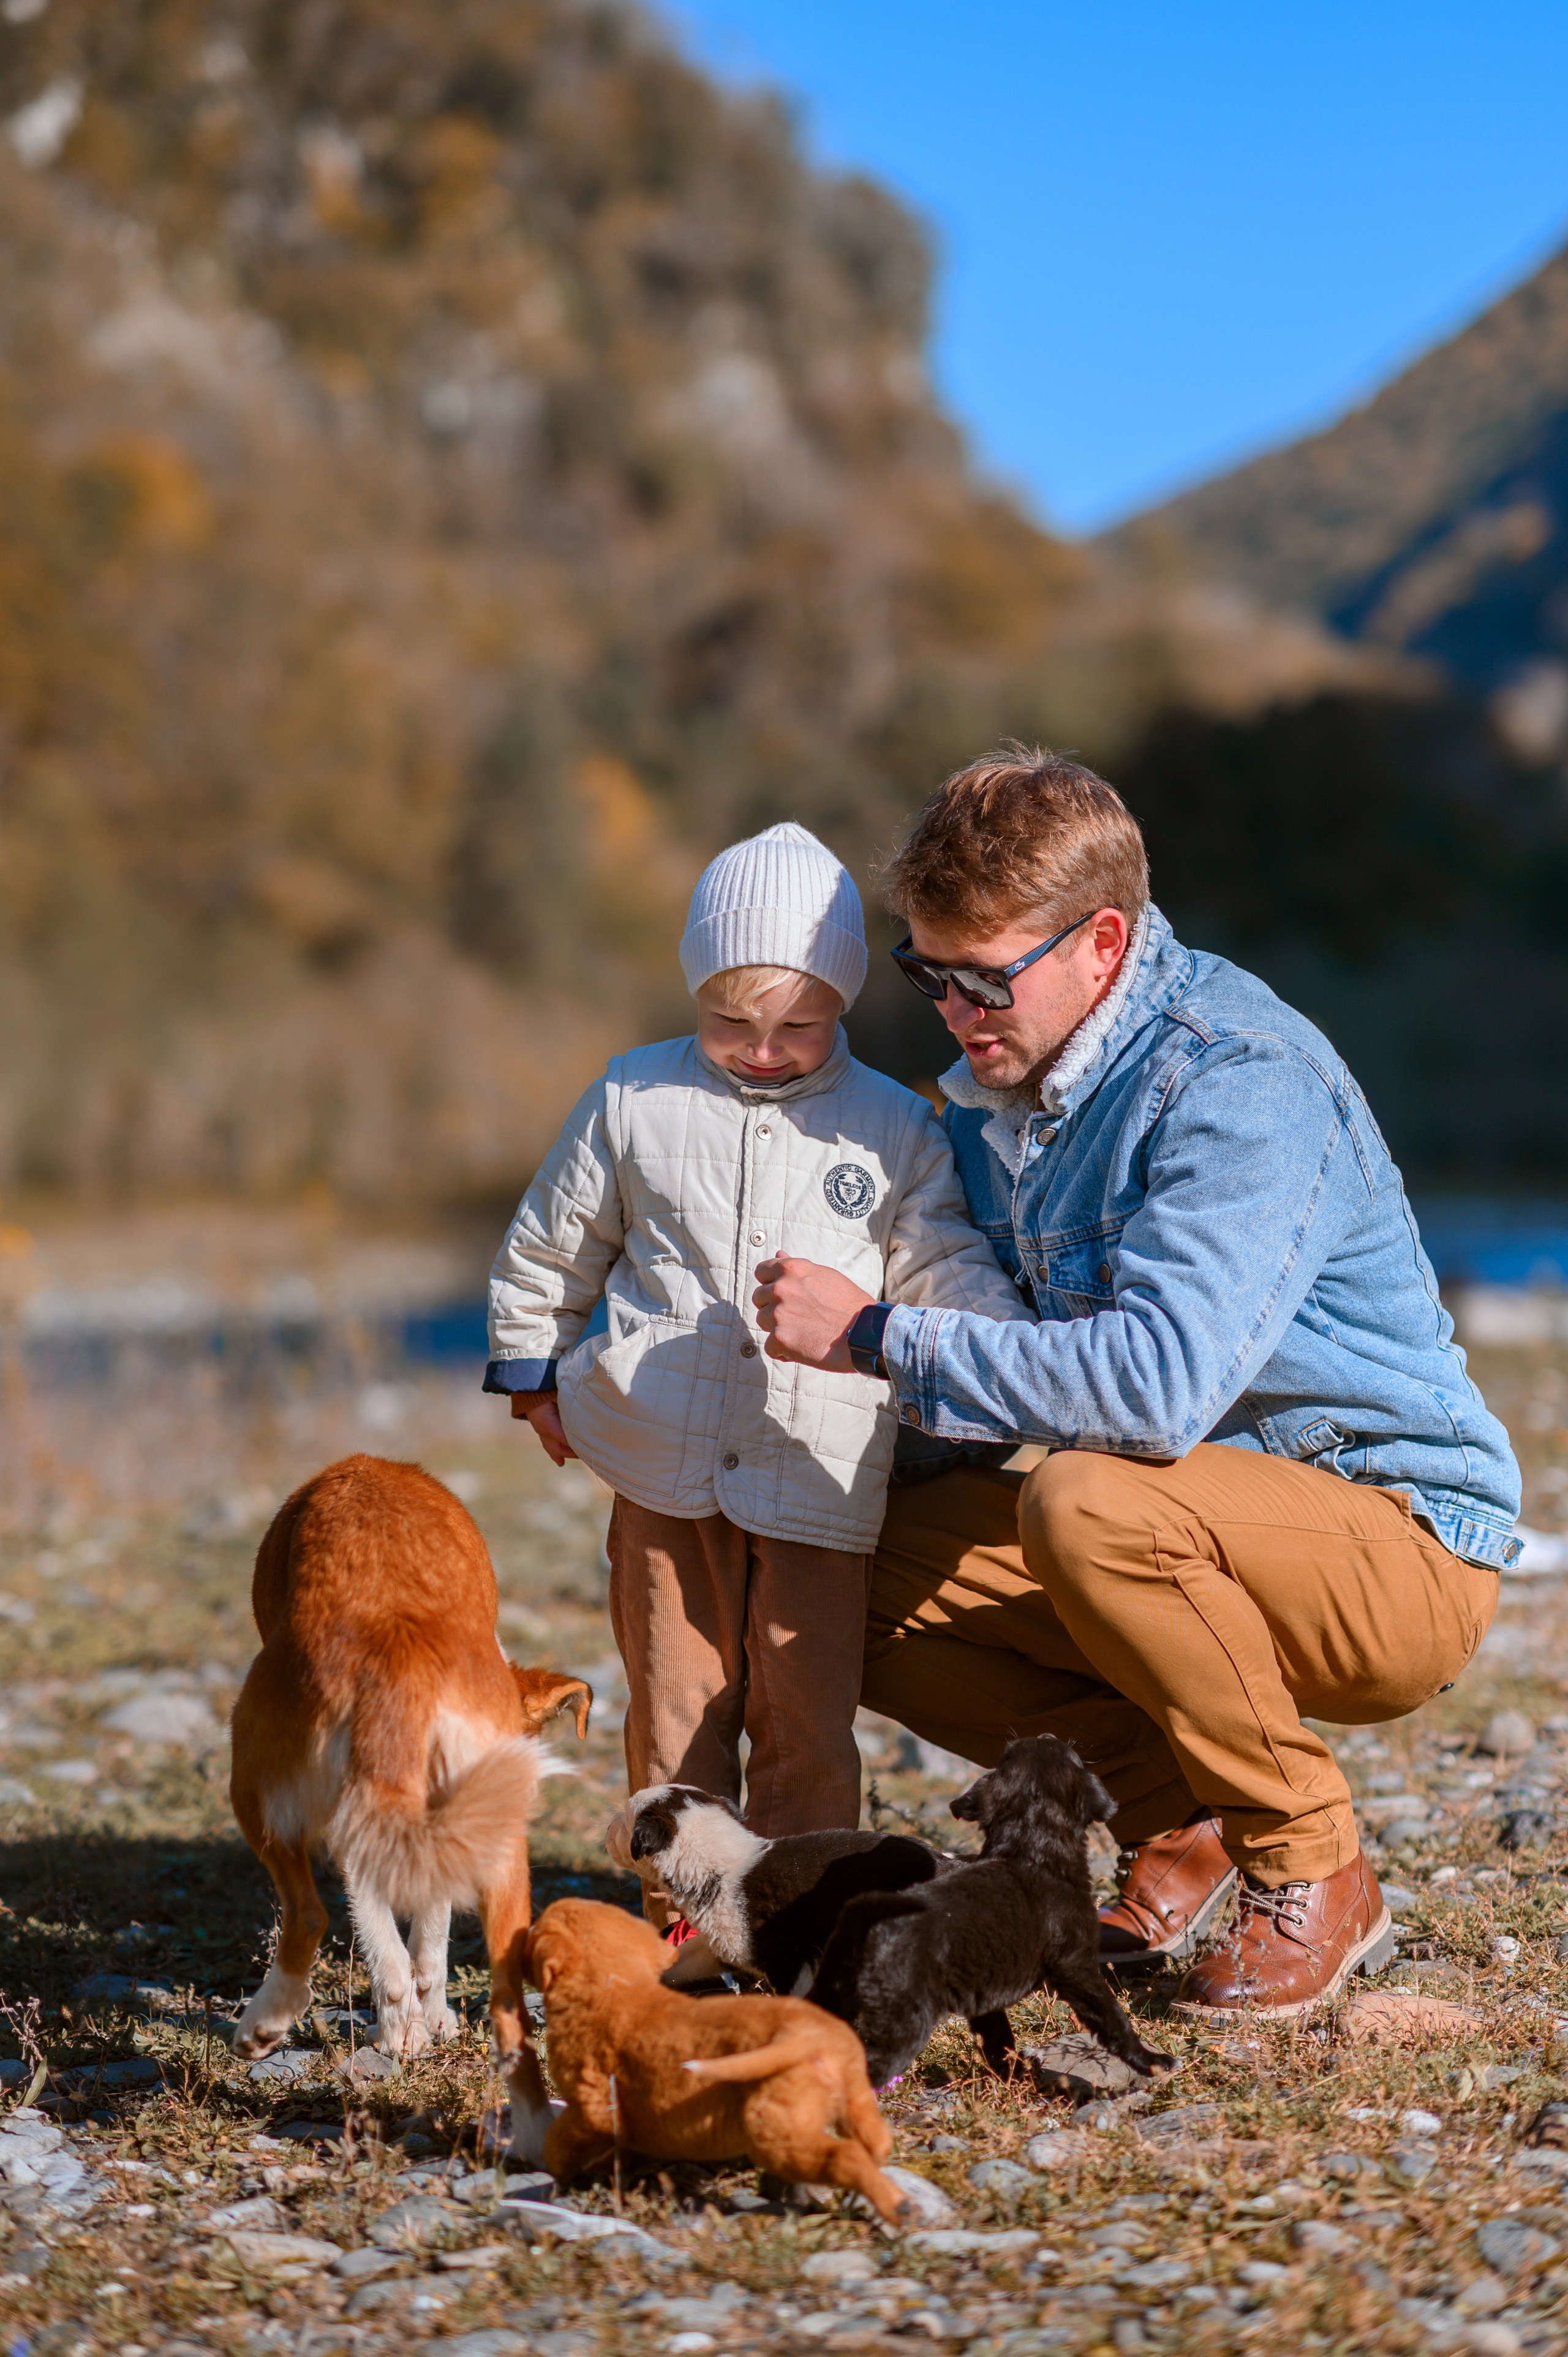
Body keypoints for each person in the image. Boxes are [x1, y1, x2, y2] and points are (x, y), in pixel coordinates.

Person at [753, 747, 1521, 2017]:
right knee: (834, 1562)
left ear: (1101, 944)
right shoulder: (998, 1099)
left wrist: (878, 1337)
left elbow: (1154, 1390)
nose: (951, 1008)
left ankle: (1316, 1868)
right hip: (1182, 1531)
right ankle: (1174, 1824)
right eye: (925, 973)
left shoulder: (1237, 1079)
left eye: (981, 977)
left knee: (1085, 1503)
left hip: (1392, 1544)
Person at [484, 821, 1028, 1919]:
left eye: (800, 1027)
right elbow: (554, 1242)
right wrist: (536, 1375)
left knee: (805, 1711)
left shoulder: (892, 1125)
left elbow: (938, 1256)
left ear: (845, 1006)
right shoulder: (634, 1100)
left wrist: (994, 1345)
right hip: (659, 1456)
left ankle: (798, 1913)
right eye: (733, 1023)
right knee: (677, 1703)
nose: (765, 1048)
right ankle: (684, 1922)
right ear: (696, 996)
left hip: (817, 1464)